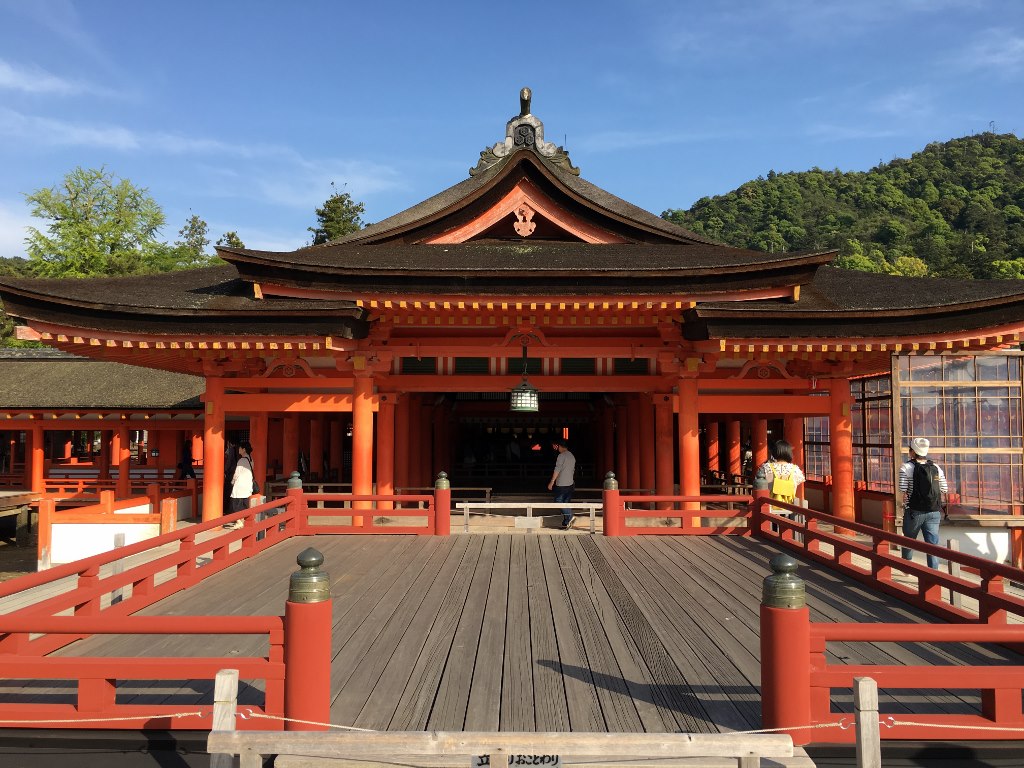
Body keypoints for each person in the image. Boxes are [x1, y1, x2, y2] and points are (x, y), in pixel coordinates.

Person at [898, 437, 948, 569]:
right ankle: (934, 573)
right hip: (934, 511)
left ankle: (906, 568)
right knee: (932, 545)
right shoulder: (936, 467)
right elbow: (944, 488)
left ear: (912, 452)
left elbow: (902, 488)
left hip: (914, 511)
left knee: (909, 541)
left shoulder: (906, 467)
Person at [755, 440, 805, 516]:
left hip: (769, 508)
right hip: (789, 509)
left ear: (774, 452)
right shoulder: (795, 470)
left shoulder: (766, 467)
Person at [547, 438, 576, 529]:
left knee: (558, 501)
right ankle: (567, 521)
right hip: (570, 483)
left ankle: (570, 517)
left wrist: (552, 482)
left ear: (560, 446)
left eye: (557, 446)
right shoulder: (572, 455)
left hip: (562, 483)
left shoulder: (561, 456)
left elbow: (557, 469)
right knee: (566, 502)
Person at [227, 441, 255, 525]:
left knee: (236, 504)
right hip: (248, 484)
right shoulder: (251, 459)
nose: (238, 449)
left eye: (240, 448)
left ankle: (239, 521)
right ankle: (242, 521)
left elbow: (237, 473)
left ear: (244, 450)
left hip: (240, 485)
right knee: (244, 504)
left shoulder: (241, 460)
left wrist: (232, 482)